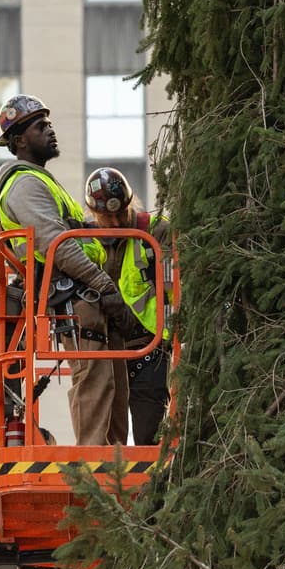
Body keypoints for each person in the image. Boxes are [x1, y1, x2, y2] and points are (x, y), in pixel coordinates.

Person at [0, 94, 140, 445]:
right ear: (19, 140)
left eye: (49, 123)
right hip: (73, 296)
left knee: (114, 386)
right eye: (40, 126)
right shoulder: (25, 185)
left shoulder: (43, 182)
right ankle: (91, 467)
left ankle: (115, 464)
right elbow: (56, 244)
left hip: (85, 293)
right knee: (95, 381)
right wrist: (105, 286)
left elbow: (76, 234)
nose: (50, 130)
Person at [84, 167, 177, 445]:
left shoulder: (156, 230)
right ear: (93, 213)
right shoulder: (85, 238)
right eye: (106, 217)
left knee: (149, 439)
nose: (113, 223)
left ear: (130, 203)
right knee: (107, 445)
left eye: (119, 214)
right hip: (108, 349)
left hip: (149, 346)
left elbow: (173, 288)